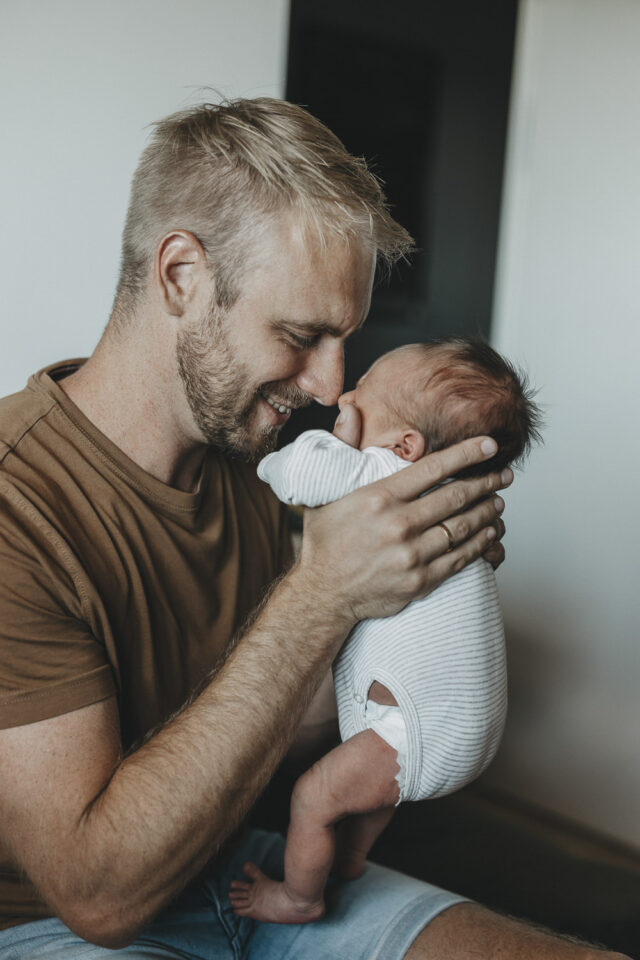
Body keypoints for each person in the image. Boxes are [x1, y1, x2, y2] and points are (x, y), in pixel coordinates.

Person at [0, 98, 626, 960]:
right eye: (302, 334)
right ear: (181, 274)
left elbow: (273, 731)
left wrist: (415, 605)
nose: (333, 387)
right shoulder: (15, 506)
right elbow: (100, 897)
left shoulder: (261, 468)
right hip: (57, 925)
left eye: (347, 340)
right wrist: (326, 590)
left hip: (240, 874)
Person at [229, 338, 541, 924]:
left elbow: (292, 473)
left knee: (313, 798)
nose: (344, 393)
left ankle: (299, 897)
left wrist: (336, 438)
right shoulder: (451, 501)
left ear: (407, 446)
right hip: (463, 727)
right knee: (372, 792)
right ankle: (345, 863)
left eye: (363, 389)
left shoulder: (387, 474)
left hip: (413, 728)